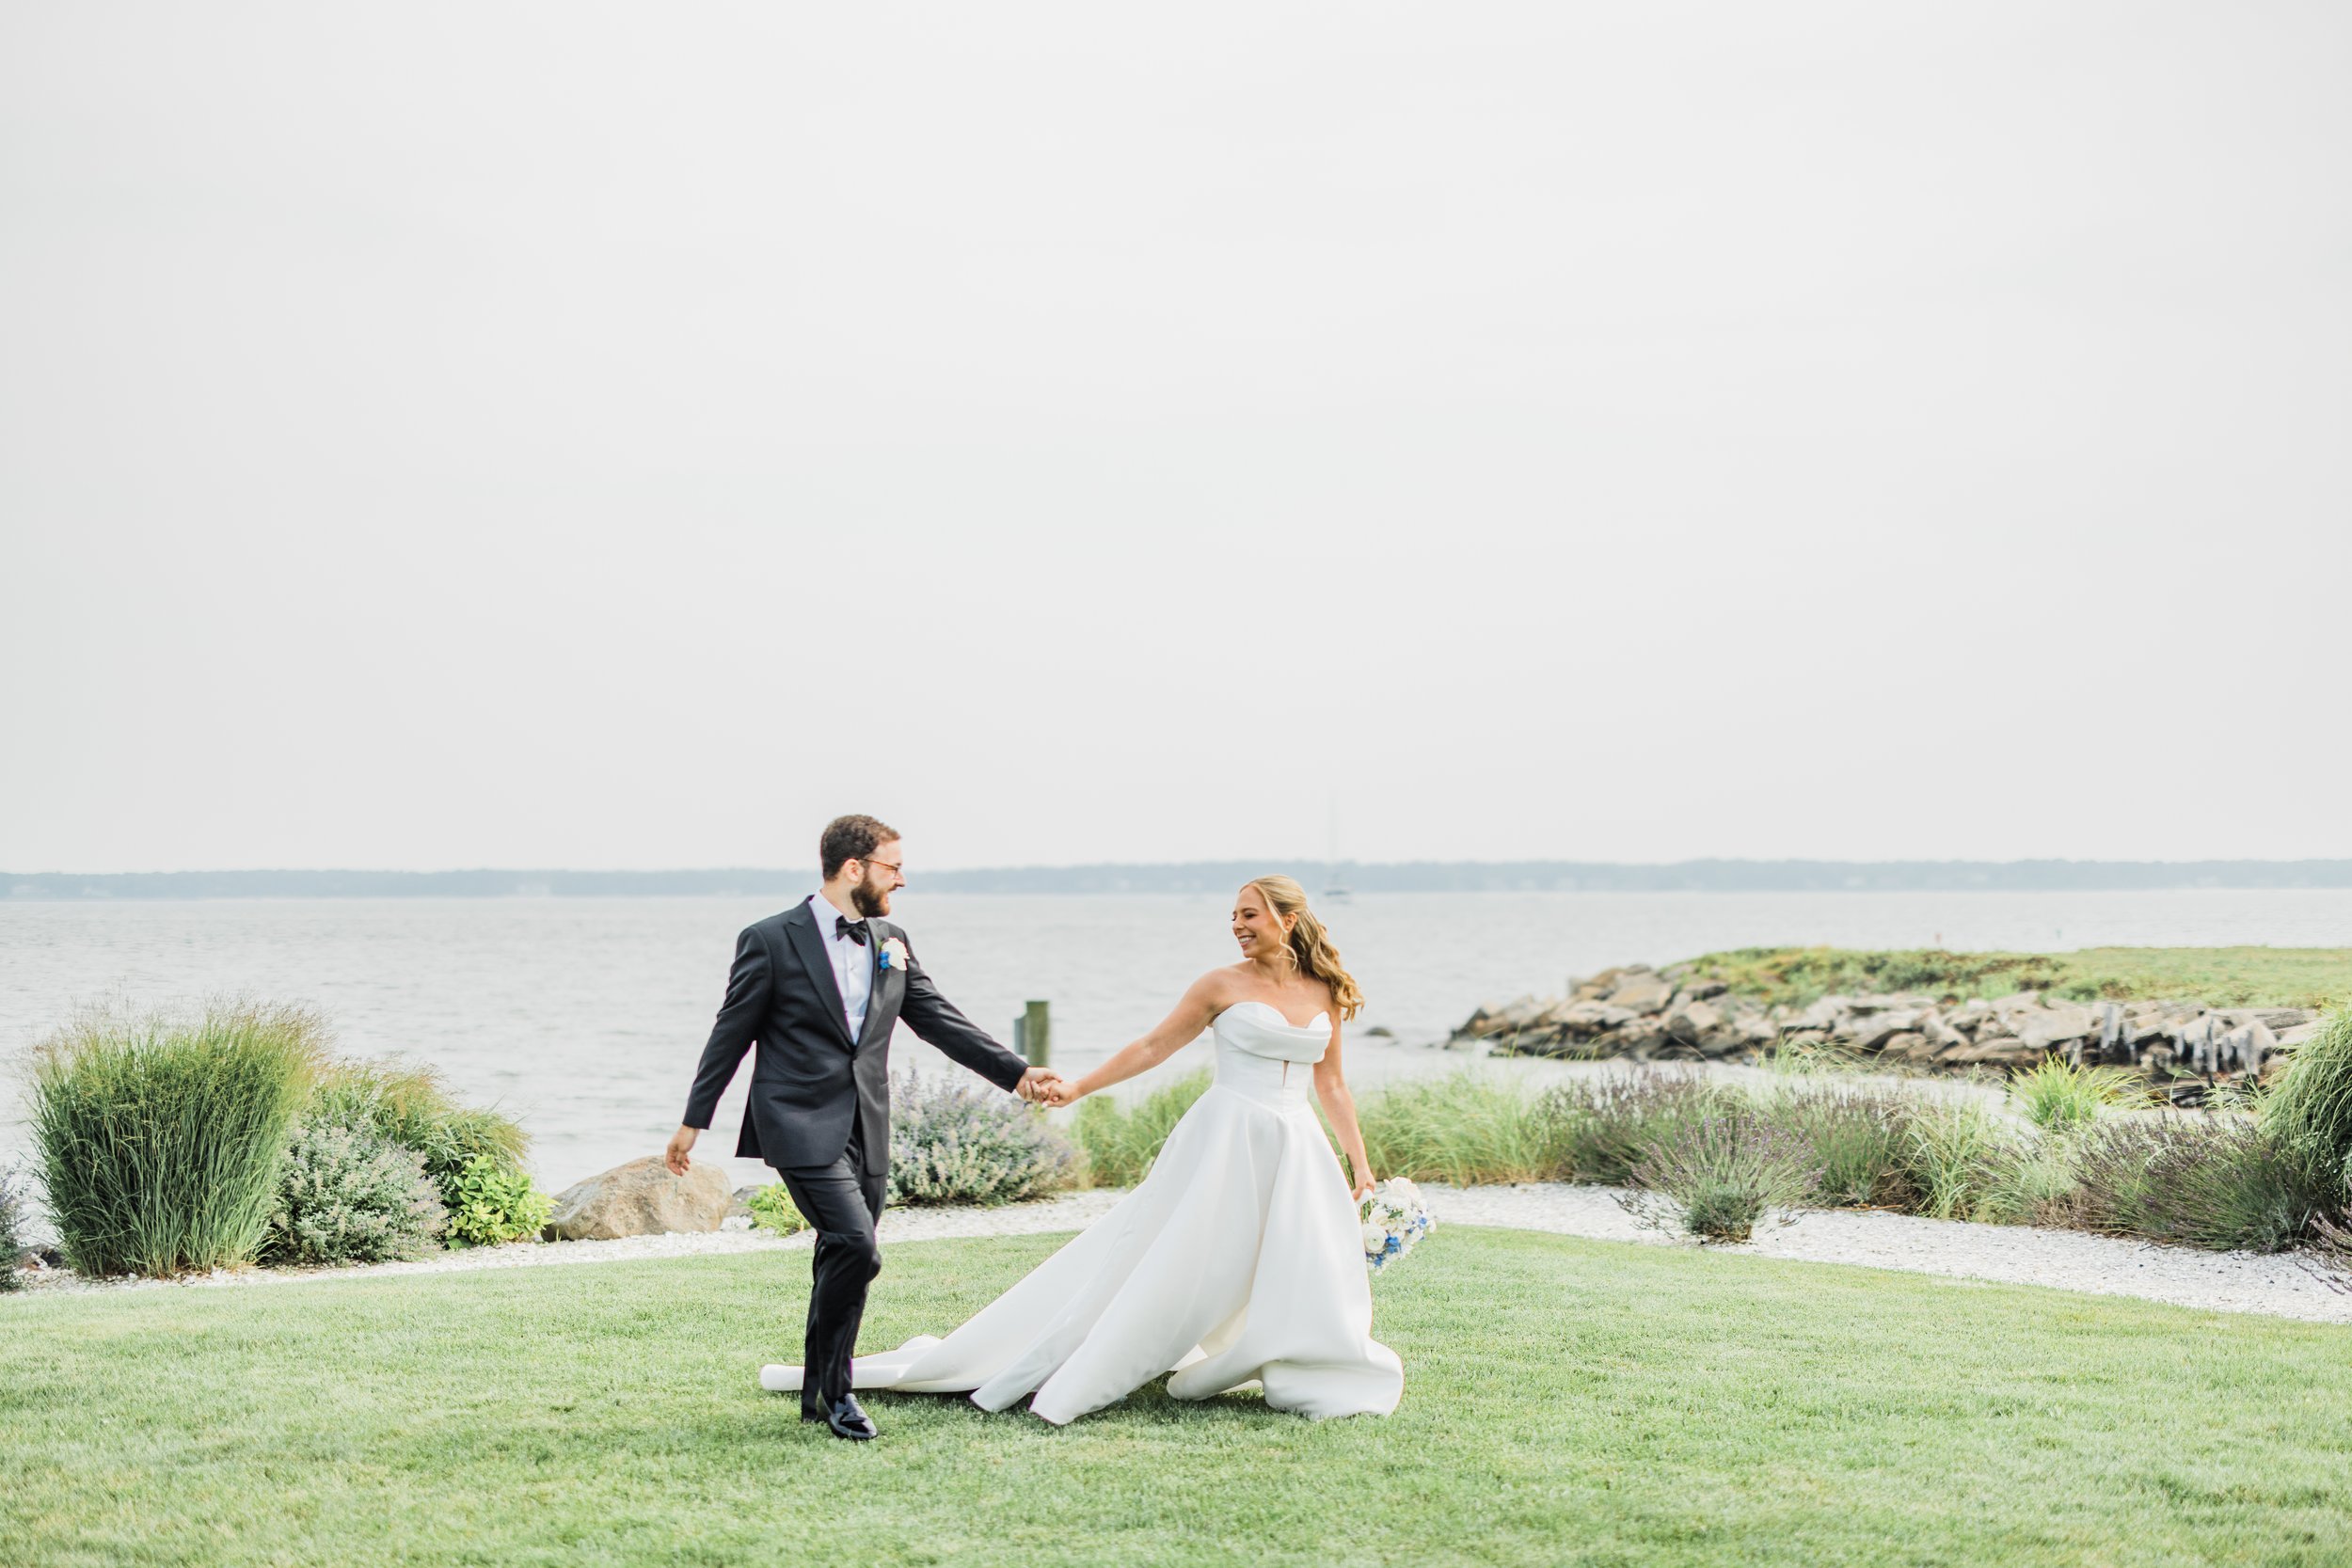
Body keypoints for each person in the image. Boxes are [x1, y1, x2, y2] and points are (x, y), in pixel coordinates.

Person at [756, 875, 1403, 1425]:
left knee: (1302, 1254)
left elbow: (1334, 1083)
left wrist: (1361, 1161)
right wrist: (1079, 1086)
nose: (1236, 925)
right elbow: (1151, 1048)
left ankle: (1300, 1359)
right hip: (1226, 1137)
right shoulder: (1218, 984)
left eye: (1249, 914)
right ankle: (1092, 1347)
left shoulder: (1326, 988)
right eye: (1232, 915)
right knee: (1180, 1251)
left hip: (1297, 1144)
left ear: (1289, 919)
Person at [666, 815, 1061, 1441]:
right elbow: (730, 1033)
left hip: (866, 1122)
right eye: (893, 866)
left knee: (839, 1255)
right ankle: (841, 1392)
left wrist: (1016, 1073)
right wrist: (694, 1121)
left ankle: (818, 1391)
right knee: (857, 1245)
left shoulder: (890, 937)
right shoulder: (770, 939)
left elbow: (936, 1018)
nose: (901, 879)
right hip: (795, 1119)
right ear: (856, 868)